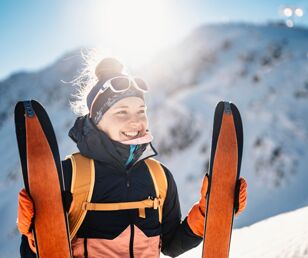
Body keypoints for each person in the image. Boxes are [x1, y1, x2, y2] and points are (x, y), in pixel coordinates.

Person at [17, 57, 247, 258]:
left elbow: (170, 245)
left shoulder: (159, 177)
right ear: (96, 120)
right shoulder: (68, 175)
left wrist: (207, 214)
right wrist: (34, 237)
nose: (135, 121)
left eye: (140, 111)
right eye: (121, 112)